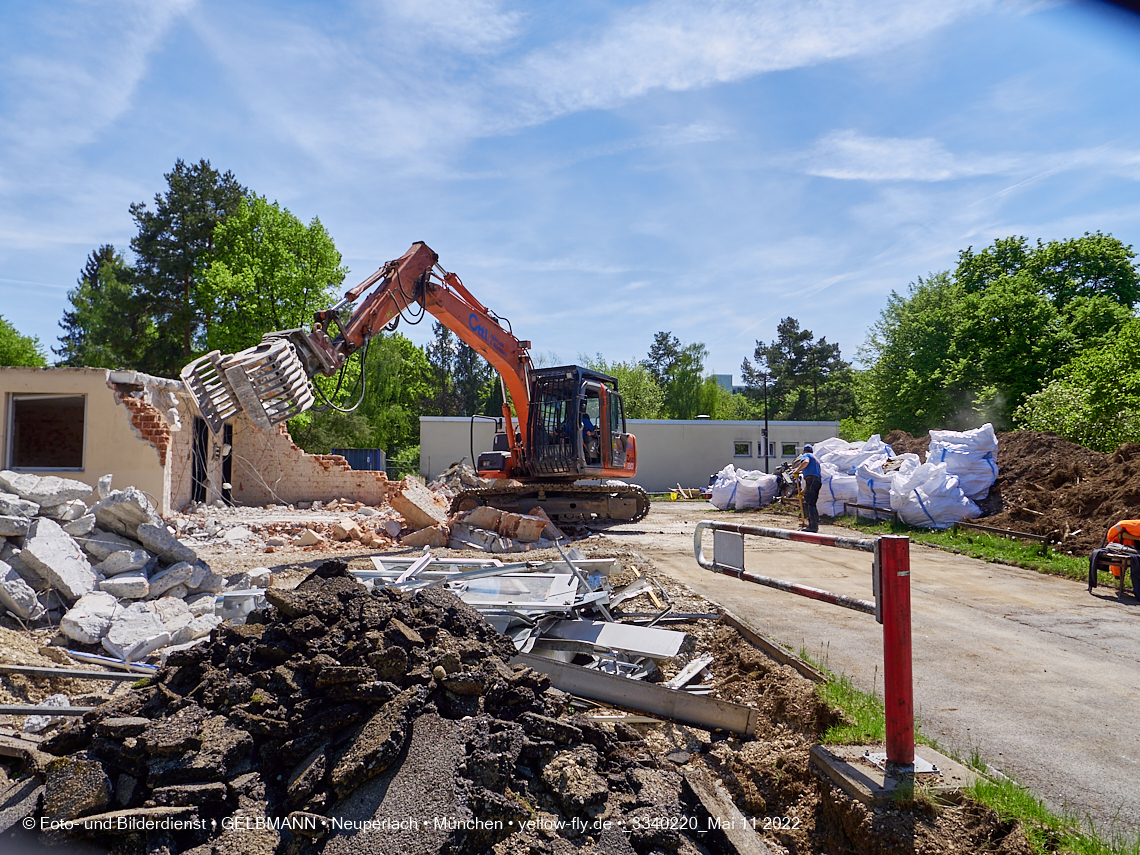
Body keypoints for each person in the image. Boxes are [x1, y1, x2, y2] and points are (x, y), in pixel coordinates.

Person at [793, 443, 822, 532]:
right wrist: (804, 490)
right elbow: (814, 476)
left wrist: (797, 470)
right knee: (812, 503)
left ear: (804, 451)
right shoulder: (816, 459)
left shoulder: (806, 455)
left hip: (812, 480)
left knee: (809, 503)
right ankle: (816, 521)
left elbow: (806, 462)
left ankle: (813, 527)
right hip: (817, 481)